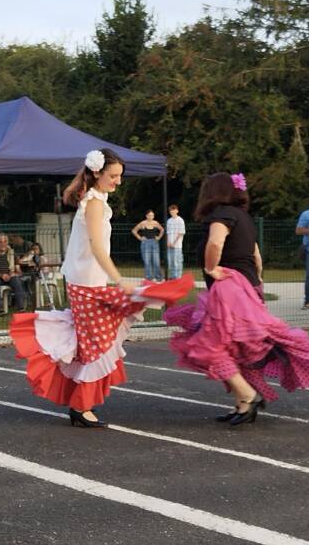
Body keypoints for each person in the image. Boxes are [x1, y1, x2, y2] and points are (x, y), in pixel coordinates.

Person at [10, 149, 193, 427]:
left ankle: (81, 406)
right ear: (96, 172)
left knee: (97, 343)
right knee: (98, 345)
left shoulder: (97, 199)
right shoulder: (94, 202)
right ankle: (81, 408)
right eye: (113, 176)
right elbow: (96, 247)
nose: (118, 181)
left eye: (120, 176)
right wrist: (119, 280)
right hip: (86, 286)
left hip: (88, 283)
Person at [165, 173, 309, 425]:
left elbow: (215, 243)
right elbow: (256, 256)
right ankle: (242, 405)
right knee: (237, 349)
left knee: (209, 347)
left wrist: (212, 268)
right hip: (247, 287)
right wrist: (254, 283)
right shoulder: (244, 217)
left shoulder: (221, 215)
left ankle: (248, 395)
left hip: (229, 289)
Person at [0, 233, 26, 311]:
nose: (3, 244)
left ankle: (21, 307)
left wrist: (14, 274)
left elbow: (18, 269)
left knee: (16, 279)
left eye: (5, 242)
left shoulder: (12, 253)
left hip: (9, 275)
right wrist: (1, 275)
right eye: (0, 242)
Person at [132, 209, 164, 281]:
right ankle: (148, 278)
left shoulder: (156, 223)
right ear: (146, 216)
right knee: (147, 261)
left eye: (152, 215)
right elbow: (134, 230)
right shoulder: (143, 223)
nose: (151, 216)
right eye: (149, 215)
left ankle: (158, 278)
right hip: (145, 243)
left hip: (154, 243)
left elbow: (162, 230)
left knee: (156, 261)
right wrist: (139, 237)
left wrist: (159, 237)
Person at [166, 204, 186, 279]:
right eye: (171, 210)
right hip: (169, 244)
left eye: (173, 210)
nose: (172, 211)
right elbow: (167, 233)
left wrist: (174, 242)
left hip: (177, 245)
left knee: (177, 262)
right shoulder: (169, 221)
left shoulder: (180, 220)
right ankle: (172, 277)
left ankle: (178, 277)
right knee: (170, 262)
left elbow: (181, 233)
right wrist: (168, 242)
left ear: (177, 211)